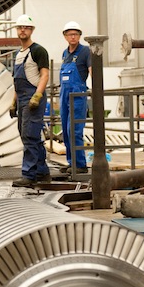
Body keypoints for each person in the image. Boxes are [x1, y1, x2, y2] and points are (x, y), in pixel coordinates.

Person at [9, 14, 51, 187]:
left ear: (31, 30)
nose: (22, 30)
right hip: (22, 98)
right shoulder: (18, 54)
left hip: (34, 97)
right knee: (26, 134)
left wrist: (37, 95)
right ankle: (42, 171)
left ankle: (29, 174)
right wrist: (13, 102)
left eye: (25, 27)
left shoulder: (38, 50)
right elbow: (17, 82)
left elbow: (45, 75)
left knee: (29, 135)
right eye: (20, 27)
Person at [59, 21, 91, 174]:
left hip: (77, 96)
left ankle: (80, 165)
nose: (73, 37)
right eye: (70, 34)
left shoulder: (85, 51)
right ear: (65, 36)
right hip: (64, 96)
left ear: (79, 36)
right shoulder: (65, 54)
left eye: (76, 34)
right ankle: (72, 163)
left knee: (75, 130)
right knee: (66, 130)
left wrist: (97, 91)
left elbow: (93, 72)